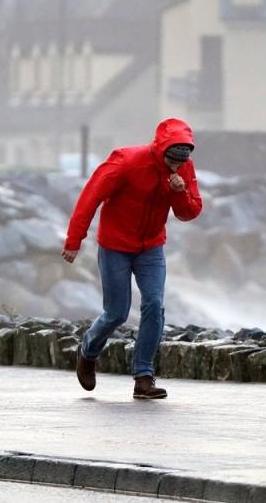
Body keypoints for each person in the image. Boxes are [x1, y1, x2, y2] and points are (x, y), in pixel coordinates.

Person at [62, 118, 203, 399]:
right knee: (117, 313)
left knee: (154, 304)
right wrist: (74, 240)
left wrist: (180, 192)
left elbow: (189, 212)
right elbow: (91, 196)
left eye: (181, 162)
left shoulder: (184, 168)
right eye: (171, 160)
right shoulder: (127, 161)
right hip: (116, 245)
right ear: (161, 150)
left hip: (151, 247)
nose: (175, 166)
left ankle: (143, 377)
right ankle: (88, 351)